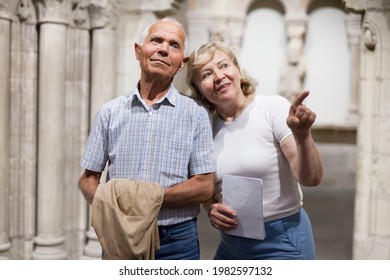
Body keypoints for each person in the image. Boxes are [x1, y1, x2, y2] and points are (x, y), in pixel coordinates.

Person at [78, 18, 215, 260]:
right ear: (138, 51)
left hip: (176, 240)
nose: (164, 48)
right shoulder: (110, 112)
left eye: (174, 45)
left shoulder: (196, 114)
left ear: (181, 63)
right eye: (156, 40)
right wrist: (110, 208)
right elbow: (88, 179)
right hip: (118, 232)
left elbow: (204, 186)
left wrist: (141, 199)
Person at [185, 41, 323, 260]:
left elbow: (311, 178)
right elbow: (208, 189)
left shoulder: (272, 108)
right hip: (231, 244)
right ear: (201, 92)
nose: (219, 76)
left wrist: (303, 135)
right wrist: (211, 208)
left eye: (224, 66)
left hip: (281, 240)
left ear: (238, 71)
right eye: (207, 74)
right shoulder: (205, 129)